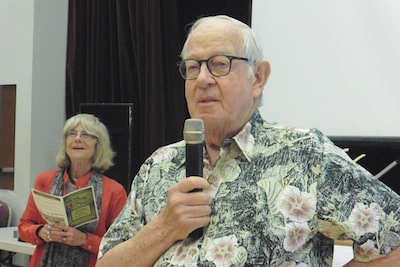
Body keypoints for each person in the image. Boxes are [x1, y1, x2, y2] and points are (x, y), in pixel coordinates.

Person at [96, 15, 400, 266]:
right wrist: (163, 228)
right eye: (192, 67)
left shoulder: (306, 155)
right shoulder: (158, 166)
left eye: (219, 64)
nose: (202, 79)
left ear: (258, 78)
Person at [18, 113, 127, 267]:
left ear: (98, 145)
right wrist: (40, 231)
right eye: (72, 133)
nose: (77, 138)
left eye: (86, 134)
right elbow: (24, 226)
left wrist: (84, 240)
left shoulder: (114, 191)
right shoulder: (44, 180)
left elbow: (122, 245)